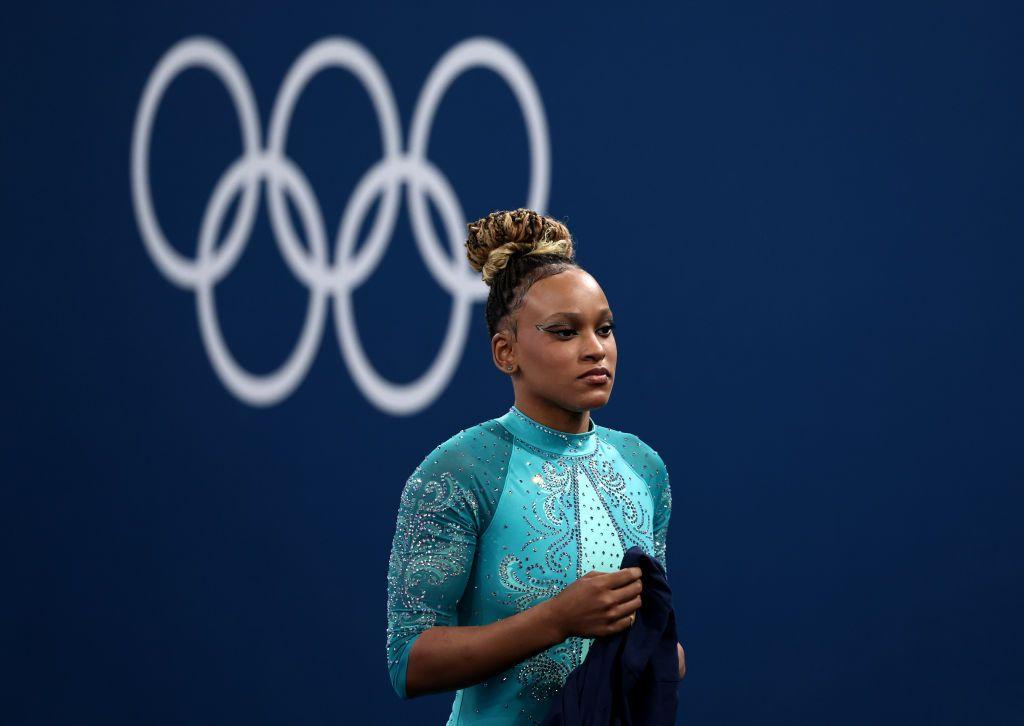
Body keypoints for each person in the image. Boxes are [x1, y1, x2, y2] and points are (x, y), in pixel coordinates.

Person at [385, 209, 685, 725]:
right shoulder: (459, 471)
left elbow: (663, 650)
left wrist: (651, 649)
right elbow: (409, 662)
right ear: (506, 352)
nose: (596, 350)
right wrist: (557, 620)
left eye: (605, 329)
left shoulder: (643, 468)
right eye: (565, 333)